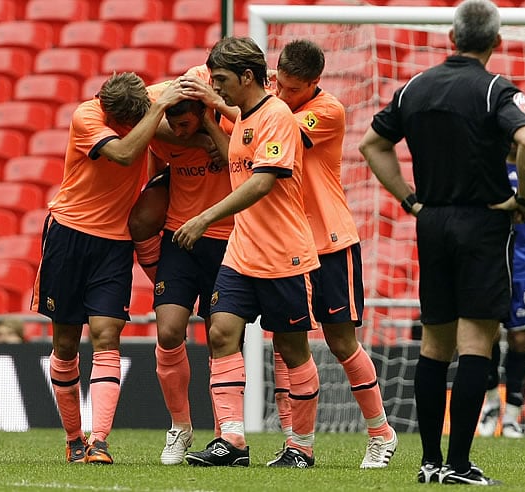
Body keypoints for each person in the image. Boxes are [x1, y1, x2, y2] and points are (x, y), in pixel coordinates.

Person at [358, 0, 525, 485]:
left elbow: (372, 145)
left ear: (451, 38)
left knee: (435, 344)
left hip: (431, 221)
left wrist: (409, 200)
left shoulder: (415, 86)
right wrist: (521, 198)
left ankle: (429, 462)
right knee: (477, 341)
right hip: (482, 223)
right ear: (496, 42)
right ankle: (459, 465)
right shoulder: (496, 90)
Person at [173, 37, 321, 469]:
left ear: (247, 77)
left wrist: (203, 218)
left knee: (292, 349)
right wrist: (207, 98)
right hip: (242, 250)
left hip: (283, 253)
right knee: (220, 332)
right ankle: (231, 440)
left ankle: (301, 446)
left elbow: (261, 182)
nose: (217, 88)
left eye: (221, 81)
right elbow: (237, 117)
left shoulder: (279, 117)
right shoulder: (243, 117)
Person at [31, 72, 192, 465]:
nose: (130, 128)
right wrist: (154, 115)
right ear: (107, 109)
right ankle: (73, 437)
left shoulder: (141, 113)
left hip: (114, 244)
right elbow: (122, 153)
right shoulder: (87, 117)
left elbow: (175, 130)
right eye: (125, 123)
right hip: (68, 236)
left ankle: (98, 440)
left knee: (107, 336)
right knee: (66, 343)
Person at [269, 39, 397, 469]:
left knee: (341, 341)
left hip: (330, 240)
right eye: (280, 85)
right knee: (287, 343)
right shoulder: (275, 101)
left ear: (313, 84)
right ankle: (297, 445)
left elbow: (278, 130)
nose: (283, 94)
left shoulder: (328, 111)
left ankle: (381, 432)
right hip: (286, 242)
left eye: (292, 89)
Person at [129, 76, 234, 465]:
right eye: (172, 125)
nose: (176, 132)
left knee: (222, 338)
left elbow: (238, 158)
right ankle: (180, 427)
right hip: (178, 236)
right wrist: (192, 139)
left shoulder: (227, 118)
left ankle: (227, 432)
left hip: (225, 238)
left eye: (186, 124)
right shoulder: (159, 106)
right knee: (169, 329)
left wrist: (209, 128)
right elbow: (141, 122)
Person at [478, 145, 525, 439]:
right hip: (493, 262)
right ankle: (492, 402)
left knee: (519, 339)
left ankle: (514, 415)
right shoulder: (488, 170)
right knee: (488, 334)